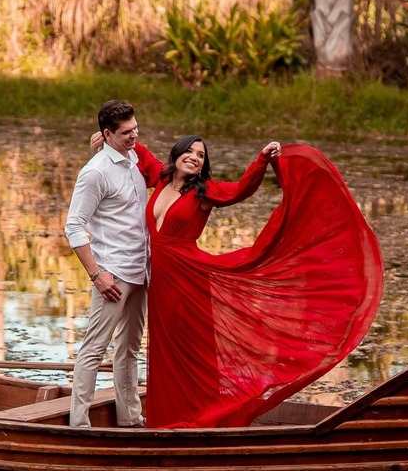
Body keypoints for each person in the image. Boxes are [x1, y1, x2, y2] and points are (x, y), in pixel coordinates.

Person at [143, 136, 383, 429]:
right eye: (190, 151)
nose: (194, 157)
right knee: (165, 351)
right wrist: (109, 141)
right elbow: (138, 151)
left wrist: (263, 160)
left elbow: (242, 190)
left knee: (194, 351)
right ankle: (166, 418)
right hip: (160, 285)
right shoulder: (161, 178)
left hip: (189, 281)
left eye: (201, 155)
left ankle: (200, 419)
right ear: (177, 153)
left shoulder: (205, 191)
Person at [64, 100, 162, 428]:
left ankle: (130, 419)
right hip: (113, 275)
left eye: (135, 129)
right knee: (94, 349)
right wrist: (97, 274)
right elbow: (73, 227)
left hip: (141, 271)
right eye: (126, 133)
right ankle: (79, 424)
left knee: (129, 349)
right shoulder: (94, 173)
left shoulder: (133, 157)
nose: (134, 136)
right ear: (108, 134)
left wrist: (117, 142)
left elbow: (161, 171)